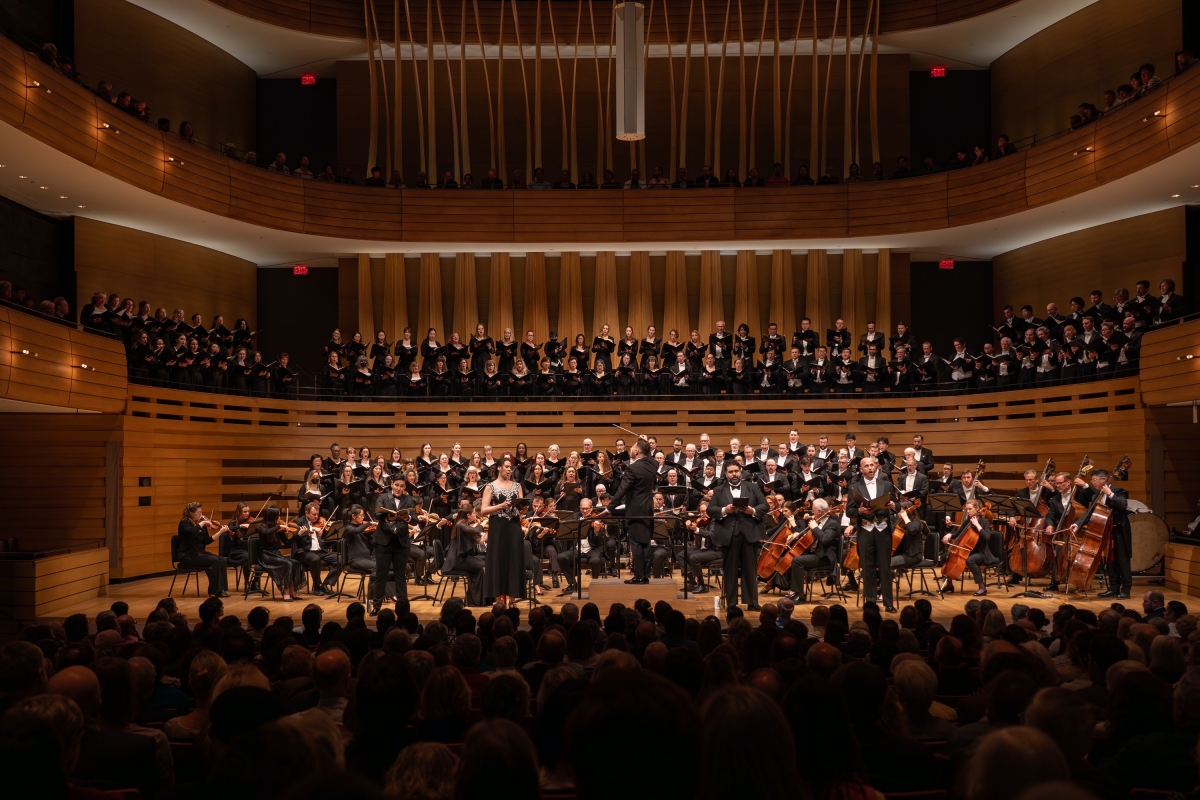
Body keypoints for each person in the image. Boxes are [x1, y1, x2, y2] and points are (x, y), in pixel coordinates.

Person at [708, 461, 768, 609]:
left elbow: (764, 505)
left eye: (736, 471)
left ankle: (752, 602)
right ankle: (732, 604)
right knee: (730, 570)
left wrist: (752, 511)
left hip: (749, 533)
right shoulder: (719, 490)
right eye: (730, 471)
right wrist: (724, 510)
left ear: (740, 472)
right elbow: (711, 510)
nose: (734, 474)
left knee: (750, 569)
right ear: (726, 474)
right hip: (729, 534)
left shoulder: (753, 487)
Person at [850, 456, 898, 612]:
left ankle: (888, 603)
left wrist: (893, 505)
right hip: (865, 530)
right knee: (868, 567)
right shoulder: (855, 487)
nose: (870, 468)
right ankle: (870, 603)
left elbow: (897, 504)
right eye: (866, 466)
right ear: (861, 469)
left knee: (885, 567)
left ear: (877, 467)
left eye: (872, 465)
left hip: (883, 529)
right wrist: (859, 510)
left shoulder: (887, 484)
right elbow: (849, 510)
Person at [481, 457, 525, 606]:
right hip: (498, 528)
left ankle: (512, 598)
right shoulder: (490, 487)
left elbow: (521, 507)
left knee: (513, 560)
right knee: (498, 560)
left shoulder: (517, 485)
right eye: (506, 467)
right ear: (499, 468)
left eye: (510, 467)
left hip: (513, 527)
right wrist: (500, 506)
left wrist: (524, 508)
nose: (509, 470)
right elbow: (483, 510)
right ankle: (499, 598)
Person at [371, 474, 418, 613]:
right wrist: (387, 517)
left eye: (402, 486)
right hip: (383, 542)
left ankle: (403, 608)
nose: (399, 488)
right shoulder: (383, 497)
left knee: (400, 576)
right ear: (391, 484)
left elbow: (415, 519)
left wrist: (408, 517)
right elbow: (376, 514)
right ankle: (376, 606)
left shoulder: (409, 499)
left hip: (401, 542)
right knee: (381, 575)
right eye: (397, 485)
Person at [176, 502, 229, 598]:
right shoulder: (184, 524)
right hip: (186, 554)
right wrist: (203, 523)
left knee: (222, 560)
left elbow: (206, 541)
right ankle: (215, 591)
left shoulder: (200, 525)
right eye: (198, 513)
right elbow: (191, 531)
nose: (201, 515)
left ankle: (221, 589)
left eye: (201, 512)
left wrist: (220, 532)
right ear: (191, 513)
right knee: (213, 560)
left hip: (199, 553)